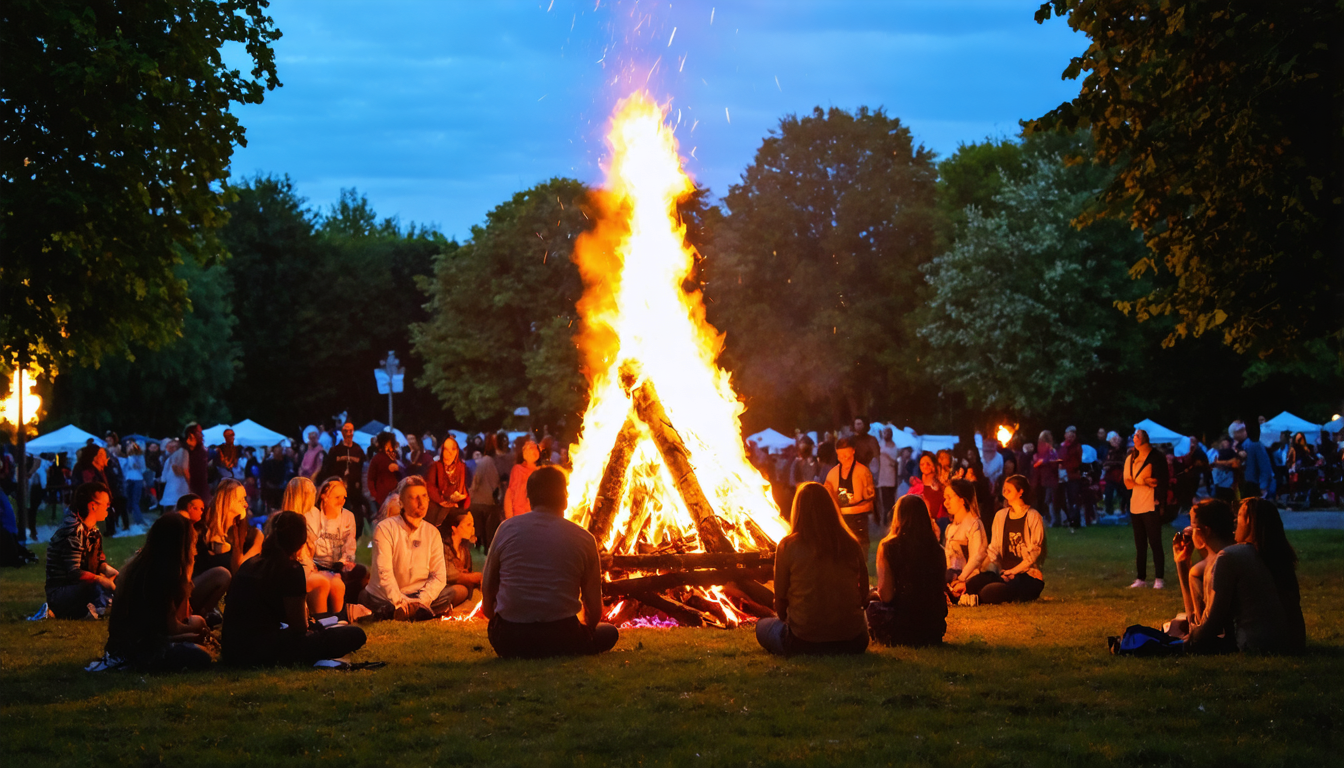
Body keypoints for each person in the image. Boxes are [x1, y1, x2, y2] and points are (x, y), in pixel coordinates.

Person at [483, 466, 619, 658]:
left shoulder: (506, 529)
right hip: (562, 638)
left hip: (509, 639)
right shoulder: (584, 539)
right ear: (565, 499)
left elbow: (488, 591)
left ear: (529, 498)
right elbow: (594, 612)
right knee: (610, 632)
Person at [222, 510, 367, 666]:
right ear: (301, 543)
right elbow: (299, 628)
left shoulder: (250, 564)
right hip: (262, 651)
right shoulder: (290, 569)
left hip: (231, 651)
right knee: (354, 634)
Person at [1174, 498, 1302, 654]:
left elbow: (1212, 622)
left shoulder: (1231, 556)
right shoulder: (1272, 556)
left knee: (1173, 629)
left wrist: (1190, 639)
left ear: (1249, 522)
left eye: (1239, 516)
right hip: (1293, 641)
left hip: (1255, 643)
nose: (1235, 522)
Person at [757, 483, 869, 655]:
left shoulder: (788, 546)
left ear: (798, 510)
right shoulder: (851, 543)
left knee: (761, 626)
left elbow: (780, 600)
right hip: (854, 641)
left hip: (803, 641)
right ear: (830, 508)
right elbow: (864, 596)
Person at [104, 513, 212, 671]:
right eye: (191, 543)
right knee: (202, 655)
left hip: (125, 645)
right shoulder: (163, 574)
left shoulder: (142, 565)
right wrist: (195, 632)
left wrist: (193, 634)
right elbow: (171, 628)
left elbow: (158, 628)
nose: (194, 550)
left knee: (198, 626)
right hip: (140, 652)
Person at [359, 476, 458, 620]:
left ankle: (411, 611)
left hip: (418, 594)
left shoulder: (432, 532)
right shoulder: (385, 528)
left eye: (424, 496)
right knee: (370, 598)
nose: (421, 503)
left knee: (451, 592)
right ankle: (409, 611)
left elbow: (439, 576)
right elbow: (384, 573)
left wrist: (422, 600)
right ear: (401, 502)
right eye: (414, 497)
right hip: (386, 596)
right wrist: (400, 600)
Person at [866, 493, 947, 646]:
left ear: (898, 517)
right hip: (932, 628)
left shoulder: (889, 547)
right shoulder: (938, 550)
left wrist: (873, 592)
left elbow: (886, 596)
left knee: (870, 605)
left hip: (902, 625)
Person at [963, 475, 1046, 604]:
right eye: (1004, 489)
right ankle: (966, 596)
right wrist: (981, 568)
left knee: (992, 591)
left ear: (1020, 492)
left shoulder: (1033, 517)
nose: (1005, 492)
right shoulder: (1001, 516)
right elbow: (994, 548)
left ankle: (979, 597)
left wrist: (1013, 572)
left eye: (1009, 490)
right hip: (1003, 572)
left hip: (1026, 575)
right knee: (973, 583)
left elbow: (1033, 554)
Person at [45, 482, 119, 619]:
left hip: (80, 587)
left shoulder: (93, 532)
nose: (108, 508)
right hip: (62, 592)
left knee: (118, 581)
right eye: (106, 504)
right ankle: (93, 608)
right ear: (93, 506)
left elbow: (98, 562)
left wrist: (111, 573)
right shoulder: (72, 532)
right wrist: (100, 580)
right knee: (96, 585)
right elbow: (74, 573)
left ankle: (100, 607)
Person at [305, 478, 368, 618]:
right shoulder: (313, 516)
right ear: (324, 496)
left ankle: (340, 618)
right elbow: (309, 548)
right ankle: (324, 619)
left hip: (338, 567)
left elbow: (350, 546)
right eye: (337, 497)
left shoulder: (347, 517)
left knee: (342, 582)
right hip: (316, 566)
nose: (342, 501)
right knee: (328, 582)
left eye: (344, 497)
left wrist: (343, 564)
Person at [1124, 428, 1169, 589]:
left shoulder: (1156, 457)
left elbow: (1162, 480)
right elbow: (1128, 481)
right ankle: (1140, 578)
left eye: (1138, 435)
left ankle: (1159, 578)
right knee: (1140, 543)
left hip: (1151, 503)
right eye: (1134, 435)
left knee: (1155, 542)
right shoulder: (1131, 457)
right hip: (1136, 503)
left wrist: (1160, 498)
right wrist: (1144, 481)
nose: (1135, 438)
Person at [198, 478, 263, 574]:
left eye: (244, 499)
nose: (246, 504)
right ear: (226, 501)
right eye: (240, 500)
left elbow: (239, 568)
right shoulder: (204, 532)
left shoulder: (252, 535)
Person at [824, 437, 875, 547]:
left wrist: (853, 509)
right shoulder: (832, 474)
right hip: (840, 519)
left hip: (858, 520)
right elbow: (827, 498)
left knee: (860, 547)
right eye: (839, 454)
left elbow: (869, 502)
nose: (843, 457)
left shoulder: (863, 472)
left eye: (845, 453)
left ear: (853, 451)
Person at [318, 422, 369, 535]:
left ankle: (355, 535)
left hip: (354, 489)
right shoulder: (335, 451)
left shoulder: (358, 450)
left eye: (350, 431)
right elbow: (328, 469)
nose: (348, 434)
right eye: (346, 431)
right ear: (342, 433)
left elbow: (362, 469)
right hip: (338, 489)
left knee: (356, 514)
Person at [943, 479, 989, 597]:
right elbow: (948, 559)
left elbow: (977, 557)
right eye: (945, 498)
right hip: (954, 575)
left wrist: (961, 578)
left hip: (972, 576)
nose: (946, 503)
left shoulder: (973, 524)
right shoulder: (950, 528)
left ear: (962, 500)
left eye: (949, 498)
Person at [442, 509, 482, 609]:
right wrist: (474, 577)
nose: (472, 529)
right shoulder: (443, 546)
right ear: (454, 528)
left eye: (472, 525)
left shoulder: (464, 550)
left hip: (462, 589)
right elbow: (449, 575)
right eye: (468, 525)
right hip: (444, 589)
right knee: (459, 591)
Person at [427, 436, 469, 529]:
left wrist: (461, 498)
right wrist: (441, 500)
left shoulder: (461, 467)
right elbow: (430, 486)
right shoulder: (435, 466)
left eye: (453, 449)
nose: (449, 453)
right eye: (446, 449)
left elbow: (465, 488)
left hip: (455, 508)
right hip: (437, 508)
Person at [467, 436, 502, 550]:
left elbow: (477, 480)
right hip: (489, 501)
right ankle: (486, 549)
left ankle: (480, 548)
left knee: (480, 529)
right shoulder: (493, 462)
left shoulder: (485, 461)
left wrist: (471, 494)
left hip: (480, 501)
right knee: (488, 531)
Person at [1231, 420, 1273, 499]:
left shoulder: (1255, 445)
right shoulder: (1237, 447)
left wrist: (1263, 486)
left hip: (1253, 485)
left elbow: (1264, 467)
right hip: (1242, 485)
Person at [907, 453, 947, 529]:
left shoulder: (942, 487)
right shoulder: (915, 487)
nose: (925, 466)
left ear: (934, 465)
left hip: (938, 526)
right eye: (922, 464)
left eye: (928, 464)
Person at [503, 440, 541, 519]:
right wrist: (509, 516)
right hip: (518, 514)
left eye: (532, 449)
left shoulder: (539, 472)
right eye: (526, 450)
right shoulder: (517, 470)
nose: (528, 452)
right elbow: (510, 493)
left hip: (533, 515)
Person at [1031, 431, 1062, 527]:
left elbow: (1053, 462)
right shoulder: (1044, 451)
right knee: (1047, 499)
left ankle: (1054, 520)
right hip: (1043, 479)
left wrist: (1041, 462)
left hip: (1050, 479)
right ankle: (1051, 519)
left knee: (1050, 499)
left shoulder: (1051, 451)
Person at [367, 432, 403, 511]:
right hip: (382, 496)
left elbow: (403, 474)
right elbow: (371, 478)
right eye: (386, 444)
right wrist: (375, 494)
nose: (388, 447)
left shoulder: (395, 457)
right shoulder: (377, 458)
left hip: (396, 493)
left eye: (390, 444)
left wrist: (398, 469)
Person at [1059, 427, 1084, 528]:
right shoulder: (1062, 447)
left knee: (1074, 499)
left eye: (1072, 435)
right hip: (1063, 476)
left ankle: (1075, 520)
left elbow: (1078, 462)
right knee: (1065, 499)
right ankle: (1068, 519)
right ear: (1065, 435)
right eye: (1069, 435)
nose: (1070, 437)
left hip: (1073, 476)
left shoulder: (1077, 447)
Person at [160, 432, 192, 511]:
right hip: (181, 488)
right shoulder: (184, 453)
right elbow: (182, 471)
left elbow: (164, 478)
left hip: (170, 490)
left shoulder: (169, 459)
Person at [876, 428, 901, 528]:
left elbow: (895, 462)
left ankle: (891, 519)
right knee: (884, 500)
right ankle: (885, 520)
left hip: (891, 477)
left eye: (888, 433)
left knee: (891, 500)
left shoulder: (894, 447)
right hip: (882, 477)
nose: (886, 434)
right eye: (885, 433)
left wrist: (886, 456)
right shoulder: (880, 444)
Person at [121, 441, 148, 527]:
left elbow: (143, 469)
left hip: (137, 479)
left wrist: (137, 466)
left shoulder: (140, 457)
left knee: (134, 501)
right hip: (130, 479)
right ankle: (132, 520)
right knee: (130, 501)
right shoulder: (127, 458)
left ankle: (139, 521)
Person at [185, 423, 210, 499]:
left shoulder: (201, 449)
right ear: (191, 434)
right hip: (193, 487)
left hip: (202, 486)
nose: (202, 435)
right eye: (199, 432)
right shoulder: (186, 451)